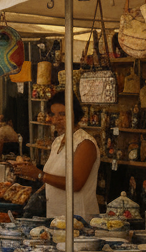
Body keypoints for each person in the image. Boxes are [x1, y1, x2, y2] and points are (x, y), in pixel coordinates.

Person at [14, 92, 101, 220]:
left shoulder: (85, 143)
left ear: (74, 114)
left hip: (79, 219)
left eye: (62, 114)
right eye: (53, 115)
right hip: (56, 218)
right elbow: (52, 180)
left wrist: (39, 175)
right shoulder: (57, 142)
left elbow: (76, 184)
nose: (56, 120)